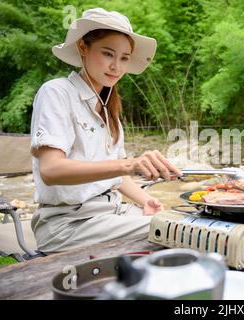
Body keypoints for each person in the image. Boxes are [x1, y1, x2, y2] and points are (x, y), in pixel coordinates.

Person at [29, 8, 182, 254]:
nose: (116, 66)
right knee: (179, 232)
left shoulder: (108, 110)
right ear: (83, 47)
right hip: (69, 224)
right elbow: (51, 170)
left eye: (124, 58)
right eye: (108, 54)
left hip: (111, 212)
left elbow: (116, 176)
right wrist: (129, 164)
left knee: (182, 221)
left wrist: (146, 201)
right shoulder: (56, 92)